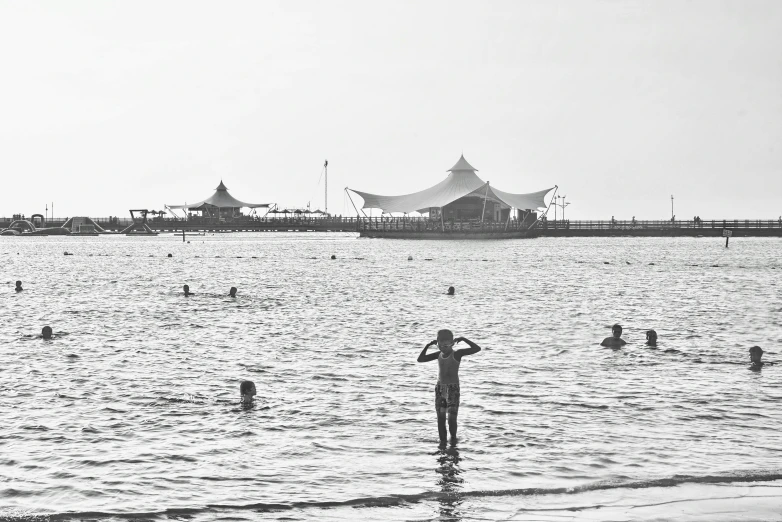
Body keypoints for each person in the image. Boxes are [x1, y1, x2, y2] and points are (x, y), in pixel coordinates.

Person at [417, 329, 482, 444]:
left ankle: (453, 441)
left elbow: (477, 348)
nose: (443, 348)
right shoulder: (438, 355)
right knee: (441, 419)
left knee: (452, 419)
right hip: (440, 389)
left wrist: (464, 339)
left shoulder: (457, 353)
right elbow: (420, 359)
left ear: (452, 343)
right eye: (440, 345)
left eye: (446, 345)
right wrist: (427, 345)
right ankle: (442, 443)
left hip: (453, 389)